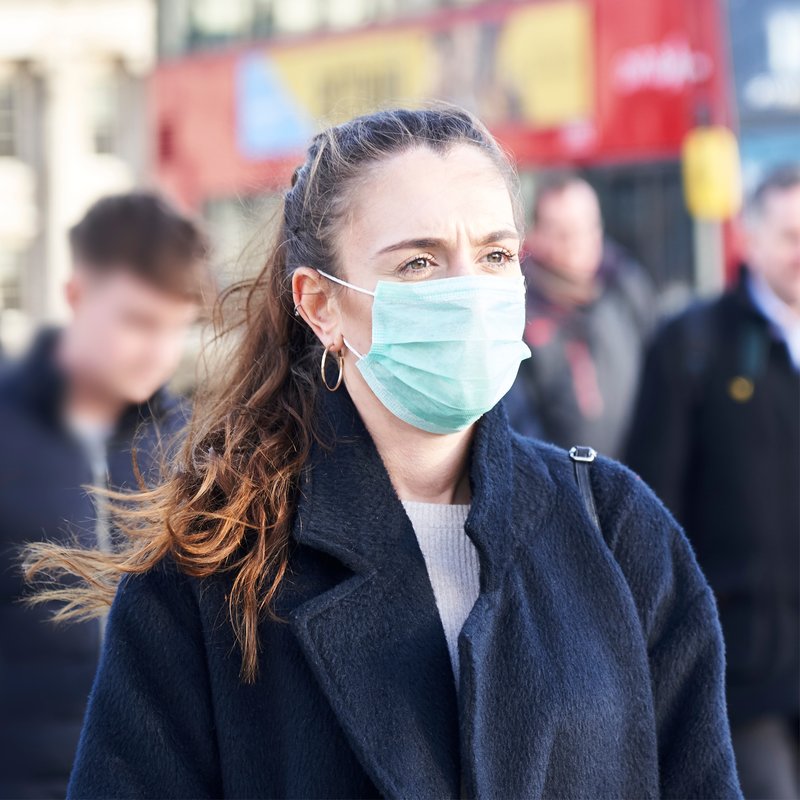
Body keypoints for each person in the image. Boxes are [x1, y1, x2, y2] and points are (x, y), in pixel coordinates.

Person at [23, 107, 741, 799]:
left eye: (495, 255)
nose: (469, 291)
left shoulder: (614, 527)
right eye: (420, 264)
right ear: (321, 305)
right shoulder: (214, 567)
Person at [0, 191, 213, 799]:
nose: (160, 350)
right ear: (76, 297)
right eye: (138, 321)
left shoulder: (194, 452)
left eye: (176, 327)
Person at [625, 164, 800, 800]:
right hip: (739, 668)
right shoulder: (691, 345)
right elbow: (649, 507)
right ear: (749, 240)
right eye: (788, 234)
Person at [504, 173, 656, 458]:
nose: (578, 243)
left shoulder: (625, 285)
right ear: (535, 236)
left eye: (587, 228)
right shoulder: (517, 307)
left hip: (633, 478)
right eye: (563, 233)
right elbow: (518, 422)